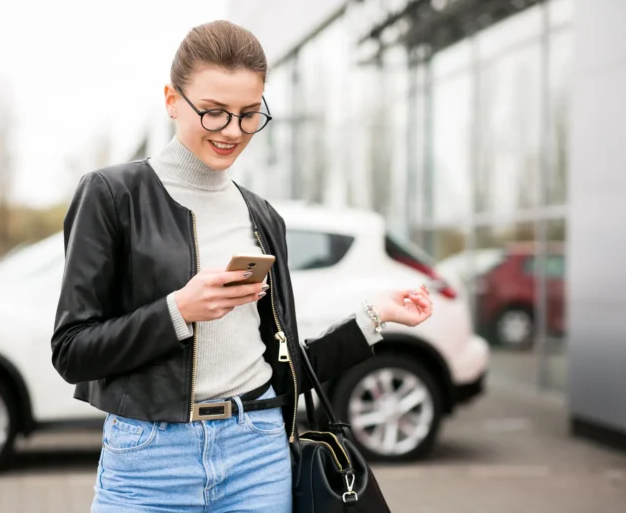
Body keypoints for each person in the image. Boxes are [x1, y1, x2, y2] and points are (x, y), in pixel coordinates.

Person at [50, 20, 433, 513]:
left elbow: (285, 364)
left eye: (249, 115)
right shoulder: (111, 195)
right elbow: (72, 350)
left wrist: (373, 317)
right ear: (171, 100)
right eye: (213, 113)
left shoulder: (261, 216)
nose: (232, 131)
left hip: (257, 452)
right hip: (149, 461)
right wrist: (179, 310)